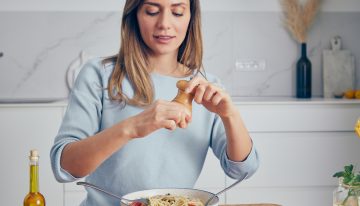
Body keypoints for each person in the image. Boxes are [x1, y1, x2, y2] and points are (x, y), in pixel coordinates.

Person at [50, 0, 259, 205]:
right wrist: (132, 127)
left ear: (190, 18)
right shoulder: (99, 75)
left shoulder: (206, 88)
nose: (164, 23)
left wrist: (230, 116)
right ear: (135, 15)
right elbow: (64, 167)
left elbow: (243, 170)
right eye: (151, 11)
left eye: (177, 12)